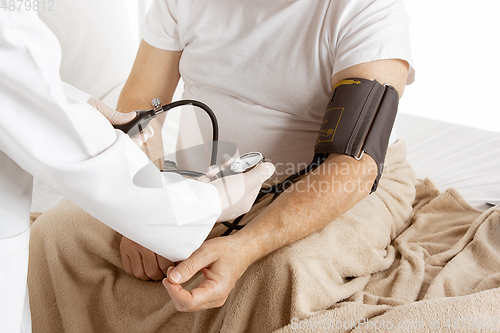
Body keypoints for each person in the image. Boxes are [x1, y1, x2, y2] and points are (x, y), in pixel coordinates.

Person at [28, 0, 418, 331]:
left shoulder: (366, 10)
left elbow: (353, 163)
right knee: (56, 234)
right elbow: (142, 109)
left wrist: (247, 246)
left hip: (335, 182)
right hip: (211, 171)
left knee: (277, 274)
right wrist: (139, 209)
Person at [0, 9, 274, 333]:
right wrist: (197, 201)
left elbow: (24, 83)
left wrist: (72, 104)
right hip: (183, 193)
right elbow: (23, 92)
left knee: (276, 274)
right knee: (52, 236)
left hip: (254, 201)